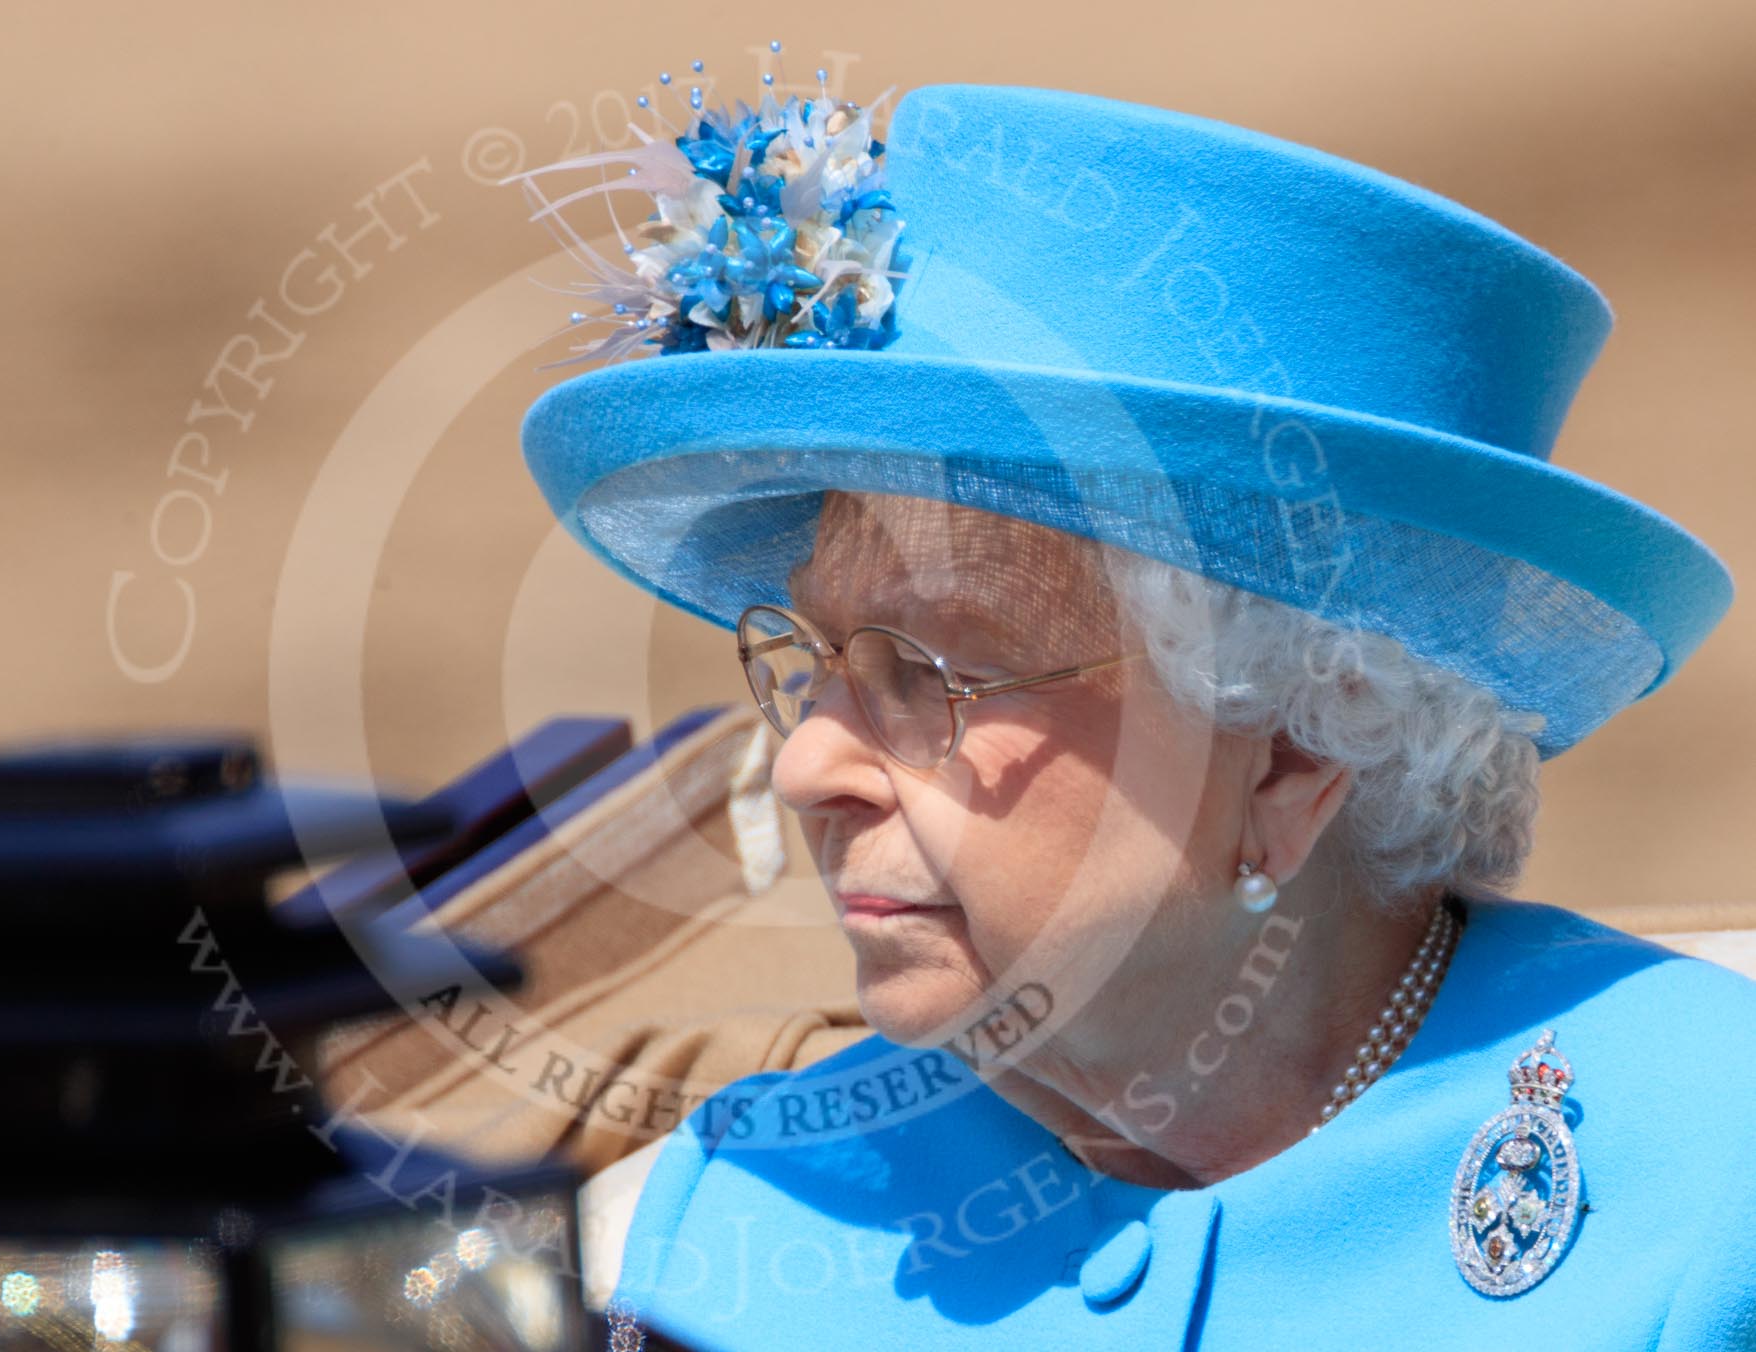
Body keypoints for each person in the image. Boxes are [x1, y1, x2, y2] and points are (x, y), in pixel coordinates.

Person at [508, 77, 1754, 1348]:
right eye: (812, 660)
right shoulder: (716, 1241)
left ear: (1295, 749)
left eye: (930, 673)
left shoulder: (1712, 1176)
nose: (810, 762)